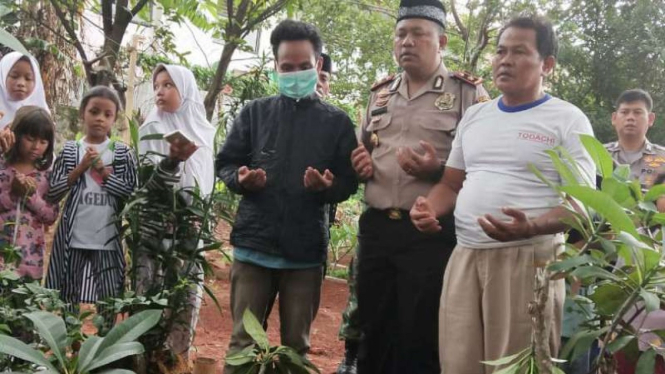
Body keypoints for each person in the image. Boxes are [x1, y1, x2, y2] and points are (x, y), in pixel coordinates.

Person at [410, 15, 596, 374]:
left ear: (548, 65)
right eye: (500, 51)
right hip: (465, 255)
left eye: (519, 52)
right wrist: (429, 209)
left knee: (518, 365)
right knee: (458, 361)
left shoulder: (567, 120)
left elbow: (582, 205)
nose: (505, 60)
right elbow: (450, 184)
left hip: (528, 258)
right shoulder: (476, 116)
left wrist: (532, 226)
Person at [350, 0, 488, 372]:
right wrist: (360, 165)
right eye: (400, 34)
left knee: (420, 332)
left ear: (441, 41)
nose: (407, 42)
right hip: (378, 228)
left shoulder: (467, 95)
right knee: (373, 326)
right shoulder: (379, 94)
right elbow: (367, 151)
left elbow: (484, 170)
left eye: (418, 34)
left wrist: (436, 170)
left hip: (430, 231)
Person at [216, 19, 358, 372]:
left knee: (296, 350)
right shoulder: (254, 114)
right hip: (254, 249)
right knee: (242, 346)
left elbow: (349, 181)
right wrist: (241, 179)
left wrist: (328, 189)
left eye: (304, 67)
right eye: (287, 67)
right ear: (275, 66)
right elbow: (226, 163)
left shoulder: (337, 122)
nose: (295, 74)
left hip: (304, 254)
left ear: (318, 65)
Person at [137, 64, 215, 359]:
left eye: (169, 85)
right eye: (157, 85)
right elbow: (146, 184)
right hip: (156, 226)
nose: (160, 90)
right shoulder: (151, 129)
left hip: (192, 226)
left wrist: (197, 211)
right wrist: (170, 162)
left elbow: (205, 182)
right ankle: (146, 357)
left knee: (185, 292)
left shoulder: (203, 132)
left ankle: (176, 359)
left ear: (187, 90)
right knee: (151, 292)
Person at [45, 86, 137, 326]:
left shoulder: (122, 154)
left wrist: (103, 172)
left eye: (107, 114)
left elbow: (131, 194)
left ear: (114, 119)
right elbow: (53, 193)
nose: (100, 118)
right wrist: (80, 168)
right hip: (72, 239)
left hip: (107, 239)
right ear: (82, 114)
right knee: (68, 295)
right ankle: (71, 346)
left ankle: (103, 349)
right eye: (94, 111)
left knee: (108, 298)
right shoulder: (69, 150)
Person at [0, 106, 58, 280]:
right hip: (2, 257)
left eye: (43, 142)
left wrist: (30, 196)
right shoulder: (3, 168)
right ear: (16, 135)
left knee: (25, 304)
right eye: (30, 139)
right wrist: (13, 193)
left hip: (30, 261)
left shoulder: (47, 176)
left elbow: (50, 215)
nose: (36, 147)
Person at [604, 89, 664, 191]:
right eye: (624, 112)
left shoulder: (663, 158)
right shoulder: (599, 154)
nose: (630, 117)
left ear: (650, 119)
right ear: (614, 118)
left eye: (637, 112)